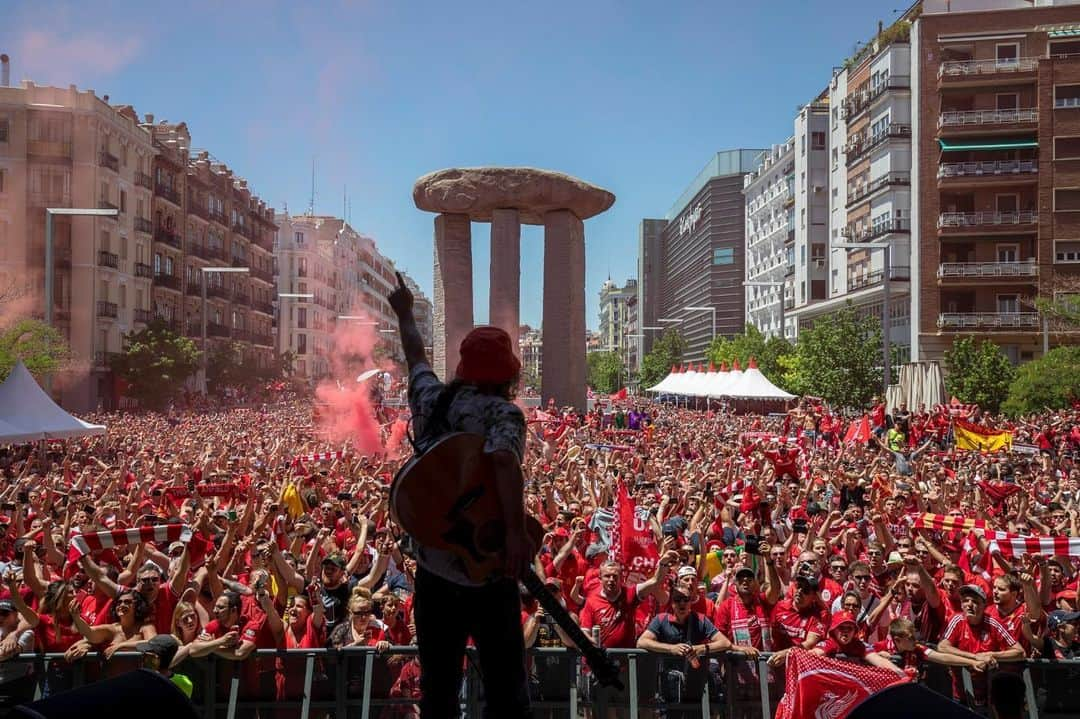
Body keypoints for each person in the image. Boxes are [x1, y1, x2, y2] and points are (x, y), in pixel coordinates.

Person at [389, 272, 532, 719]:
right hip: (489, 577)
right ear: (508, 375)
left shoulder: (433, 400)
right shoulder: (504, 413)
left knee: (439, 692)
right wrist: (513, 533)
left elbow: (415, 355)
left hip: (434, 573)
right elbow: (504, 462)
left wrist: (404, 312)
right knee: (505, 693)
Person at [637, 587, 731, 719]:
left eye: (686, 600)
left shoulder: (701, 619)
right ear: (672, 603)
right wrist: (671, 649)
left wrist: (701, 648)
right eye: (677, 600)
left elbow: (725, 643)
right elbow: (642, 642)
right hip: (669, 690)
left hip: (695, 688)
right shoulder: (661, 619)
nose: (682, 603)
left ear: (691, 602)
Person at [137, 634, 193, 699]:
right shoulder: (186, 683)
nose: (143, 657)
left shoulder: (143, 683)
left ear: (155, 659)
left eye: (146, 654)